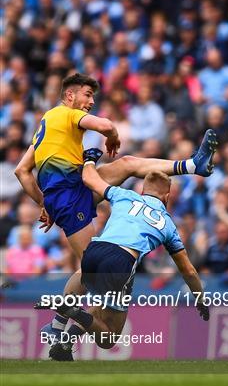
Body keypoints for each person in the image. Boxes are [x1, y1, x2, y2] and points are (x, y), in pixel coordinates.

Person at [15, 73, 218, 341]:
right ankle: (58, 325)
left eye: (93, 98)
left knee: (127, 164)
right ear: (69, 95)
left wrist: (44, 203)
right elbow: (106, 125)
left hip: (71, 189)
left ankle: (192, 165)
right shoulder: (64, 114)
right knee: (92, 268)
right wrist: (111, 136)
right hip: (69, 193)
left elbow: (22, 171)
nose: (90, 102)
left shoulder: (45, 128)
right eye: (87, 95)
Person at [37, 149, 209, 361]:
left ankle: (62, 330)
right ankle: (71, 312)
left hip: (95, 250)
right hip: (121, 260)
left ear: (144, 190)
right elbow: (188, 271)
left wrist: (89, 160)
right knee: (109, 337)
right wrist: (200, 299)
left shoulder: (124, 196)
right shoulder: (168, 225)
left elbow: (90, 179)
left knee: (91, 290)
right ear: (167, 197)